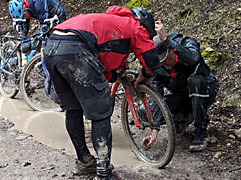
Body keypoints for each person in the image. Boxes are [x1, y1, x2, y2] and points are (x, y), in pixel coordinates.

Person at [43, 6, 167, 180]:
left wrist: (114, 74)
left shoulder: (111, 23)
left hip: (52, 46)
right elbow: (150, 58)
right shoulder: (134, 26)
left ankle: (85, 162)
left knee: (73, 109)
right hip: (76, 49)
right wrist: (145, 75)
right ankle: (104, 174)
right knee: (100, 114)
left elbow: (102, 63)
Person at [145, 21, 220, 152]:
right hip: (181, 96)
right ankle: (183, 117)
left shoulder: (186, 43)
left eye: (165, 59)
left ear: (170, 50)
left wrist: (168, 41)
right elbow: (157, 97)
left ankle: (201, 132)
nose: (164, 64)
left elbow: (193, 58)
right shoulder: (159, 68)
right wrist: (154, 130)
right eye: (160, 62)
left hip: (205, 89)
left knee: (194, 81)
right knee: (144, 111)